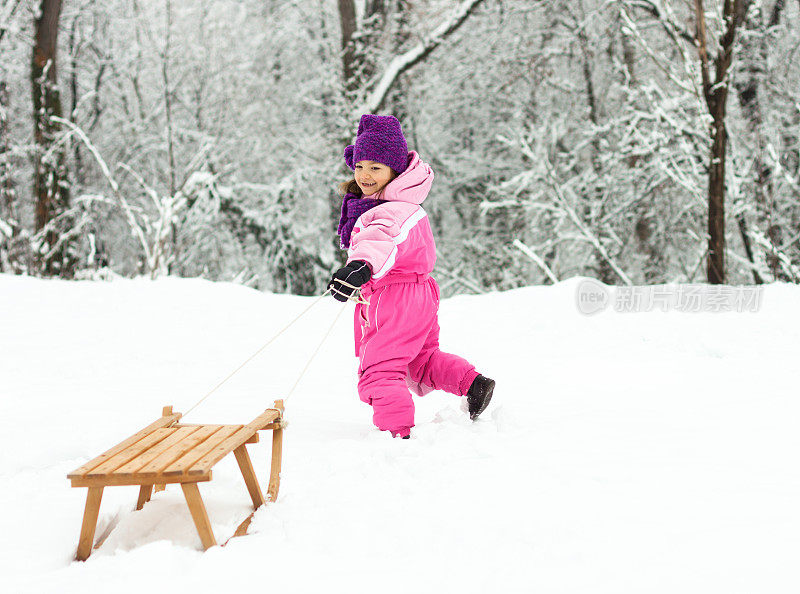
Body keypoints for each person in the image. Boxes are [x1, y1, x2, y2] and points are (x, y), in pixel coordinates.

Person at [328, 113, 495, 439]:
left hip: (393, 298)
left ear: (395, 170)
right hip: (419, 296)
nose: (365, 175)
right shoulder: (405, 205)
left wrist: (359, 267)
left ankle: (397, 433)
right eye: (360, 166)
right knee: (419, 360)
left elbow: (379, 241)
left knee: (380, 371)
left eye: (375, 168)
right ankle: (472, 384)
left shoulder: (388, 210)